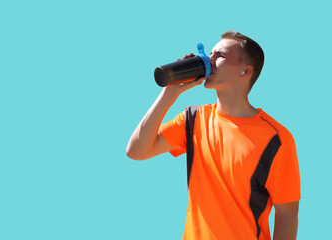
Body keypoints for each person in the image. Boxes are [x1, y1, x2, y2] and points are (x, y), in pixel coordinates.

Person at [127, 30, 301, 240]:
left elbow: (287, 213)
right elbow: (136, 151)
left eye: (221, 55)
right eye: (210, 53)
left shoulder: (276, 139)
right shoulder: (192, 119)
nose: (210, 60)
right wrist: (169, 93)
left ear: (245, 72)